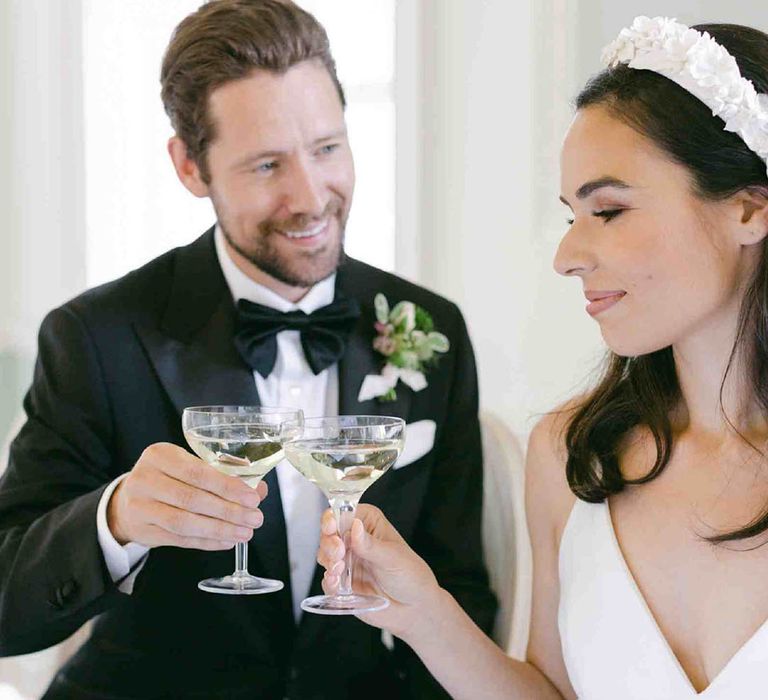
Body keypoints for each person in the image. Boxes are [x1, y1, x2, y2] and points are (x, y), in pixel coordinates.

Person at [0, 1, 496, 698]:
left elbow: (462, 592)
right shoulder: (97, 337)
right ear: (189, 166)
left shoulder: (429, 328)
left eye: (327, 148)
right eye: (266, 165)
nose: (310, 195)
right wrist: (114, 519)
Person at [317, 17, 768, 700]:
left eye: (609, 211)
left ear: (747, 210)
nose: (567, 256)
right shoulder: (570, 455)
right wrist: (421, 611)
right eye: (570, 217)